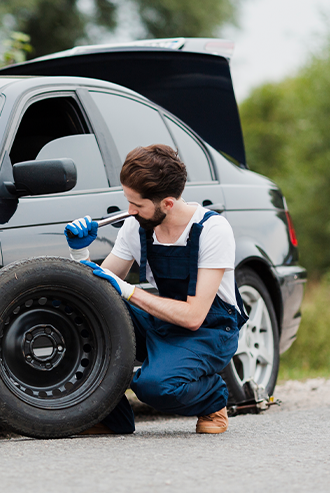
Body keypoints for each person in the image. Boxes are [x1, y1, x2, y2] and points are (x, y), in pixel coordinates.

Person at [65, 144, 247, 434]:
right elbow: (97, 289)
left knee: (155, 387)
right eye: (128, 201)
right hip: (163, 318)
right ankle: (111, 417)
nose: (129, 210)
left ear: (167, 204)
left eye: (137, 204)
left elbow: (194, 317)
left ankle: (213, 398)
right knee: (84, 312)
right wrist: (80, 254)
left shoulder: (213, 230)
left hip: (209, 330)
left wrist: (128, 291)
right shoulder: (136, 225)